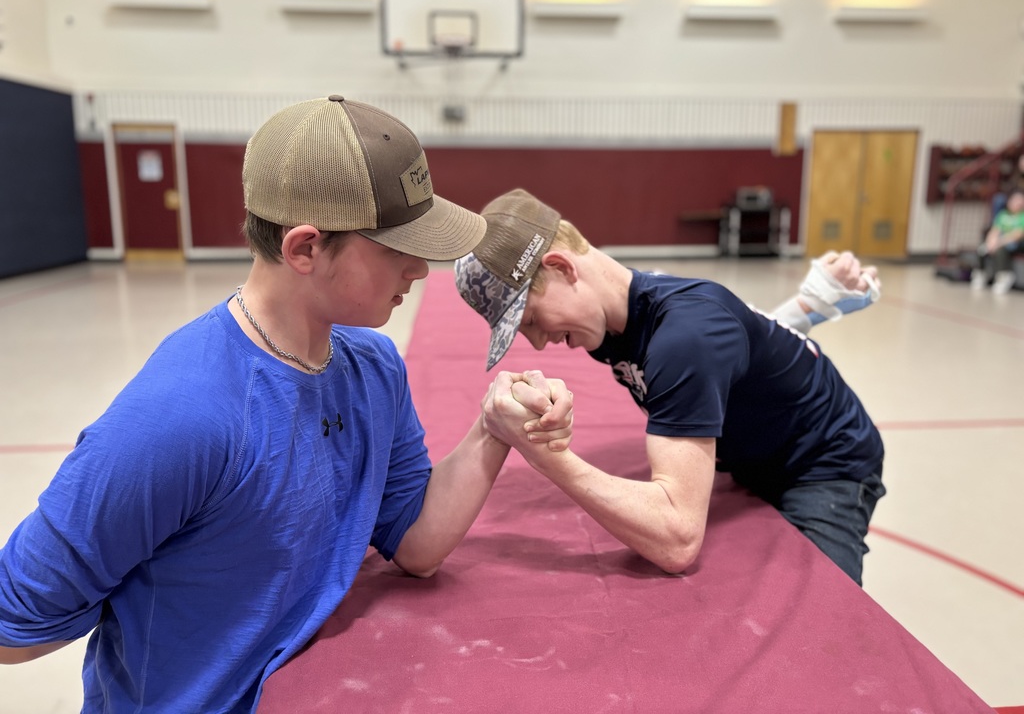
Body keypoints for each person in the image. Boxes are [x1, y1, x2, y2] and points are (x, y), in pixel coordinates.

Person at [0, 99, 572, 713]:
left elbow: (415, 542)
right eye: (395, 249)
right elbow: (14, 625)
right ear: (305, 249)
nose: (419, 269)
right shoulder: (183, 416)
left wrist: (493, 429)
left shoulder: (374, 366)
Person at [455, 188, 885, 586]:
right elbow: (728, 346)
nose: (537, 343)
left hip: (825, 462)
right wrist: (805, 309)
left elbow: (676, 540)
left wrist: (544, 454)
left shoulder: (685, 336)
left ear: (563, 267)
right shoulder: (620, 319)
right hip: (754, 453)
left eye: (530, 319)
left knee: (820, 616)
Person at [971, 188, 1024, 294]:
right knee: (982, 249)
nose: (1017, 203)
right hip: (999, 241)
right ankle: (981, 274)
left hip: (1015, 243)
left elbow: (1018, 235)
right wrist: (990, 242)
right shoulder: (1002, 215)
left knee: (1001, 251)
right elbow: (994, 230)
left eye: (1020, 200)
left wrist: (999, 242)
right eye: (1015, 200)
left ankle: (1004, 277)